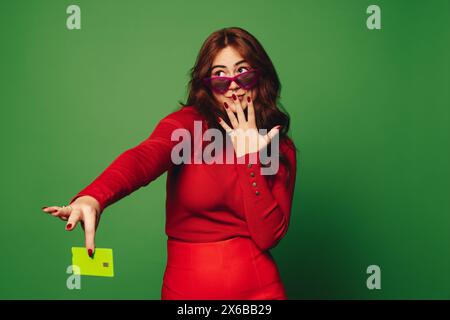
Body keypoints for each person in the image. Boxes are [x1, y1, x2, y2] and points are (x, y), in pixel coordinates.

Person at [42, 27, 297, 300]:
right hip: (186, 292)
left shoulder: (277, 145)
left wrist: (249, 158)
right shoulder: (188, 125)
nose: (232, 83)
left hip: (260, 293)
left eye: (242, 71)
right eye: (219, 75)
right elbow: (145, 156)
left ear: (260, 77)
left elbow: (268, 236)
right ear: (207, 85)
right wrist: (94, 197)